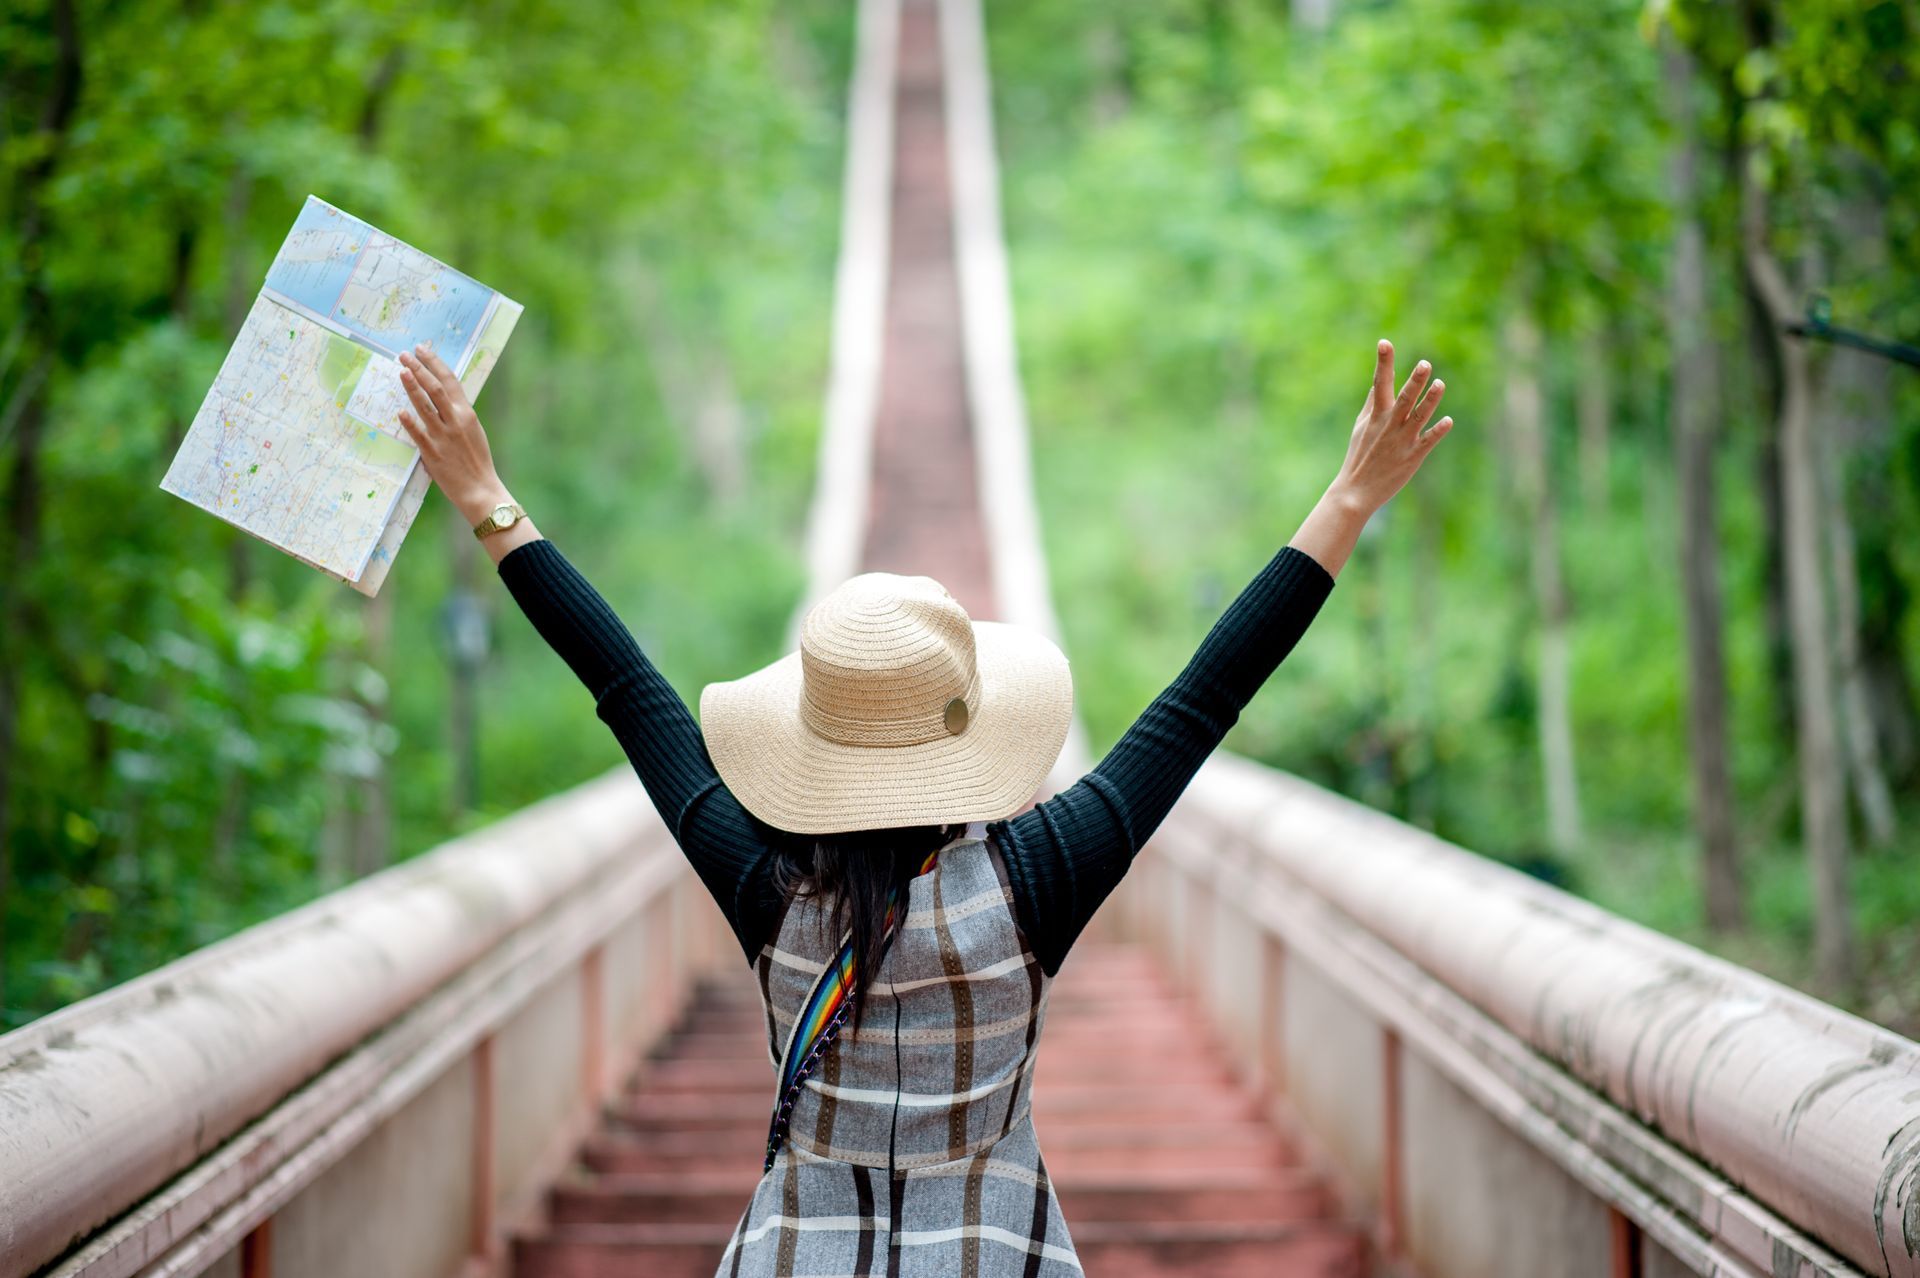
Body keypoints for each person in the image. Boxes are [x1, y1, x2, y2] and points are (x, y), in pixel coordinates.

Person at [392, 338, 1452, 1277]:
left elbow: (629, 693)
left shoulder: (765, 888)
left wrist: (489, 496)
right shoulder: (1040, 876)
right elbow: (1203, 701)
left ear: (810, 739)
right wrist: (1349, 498)